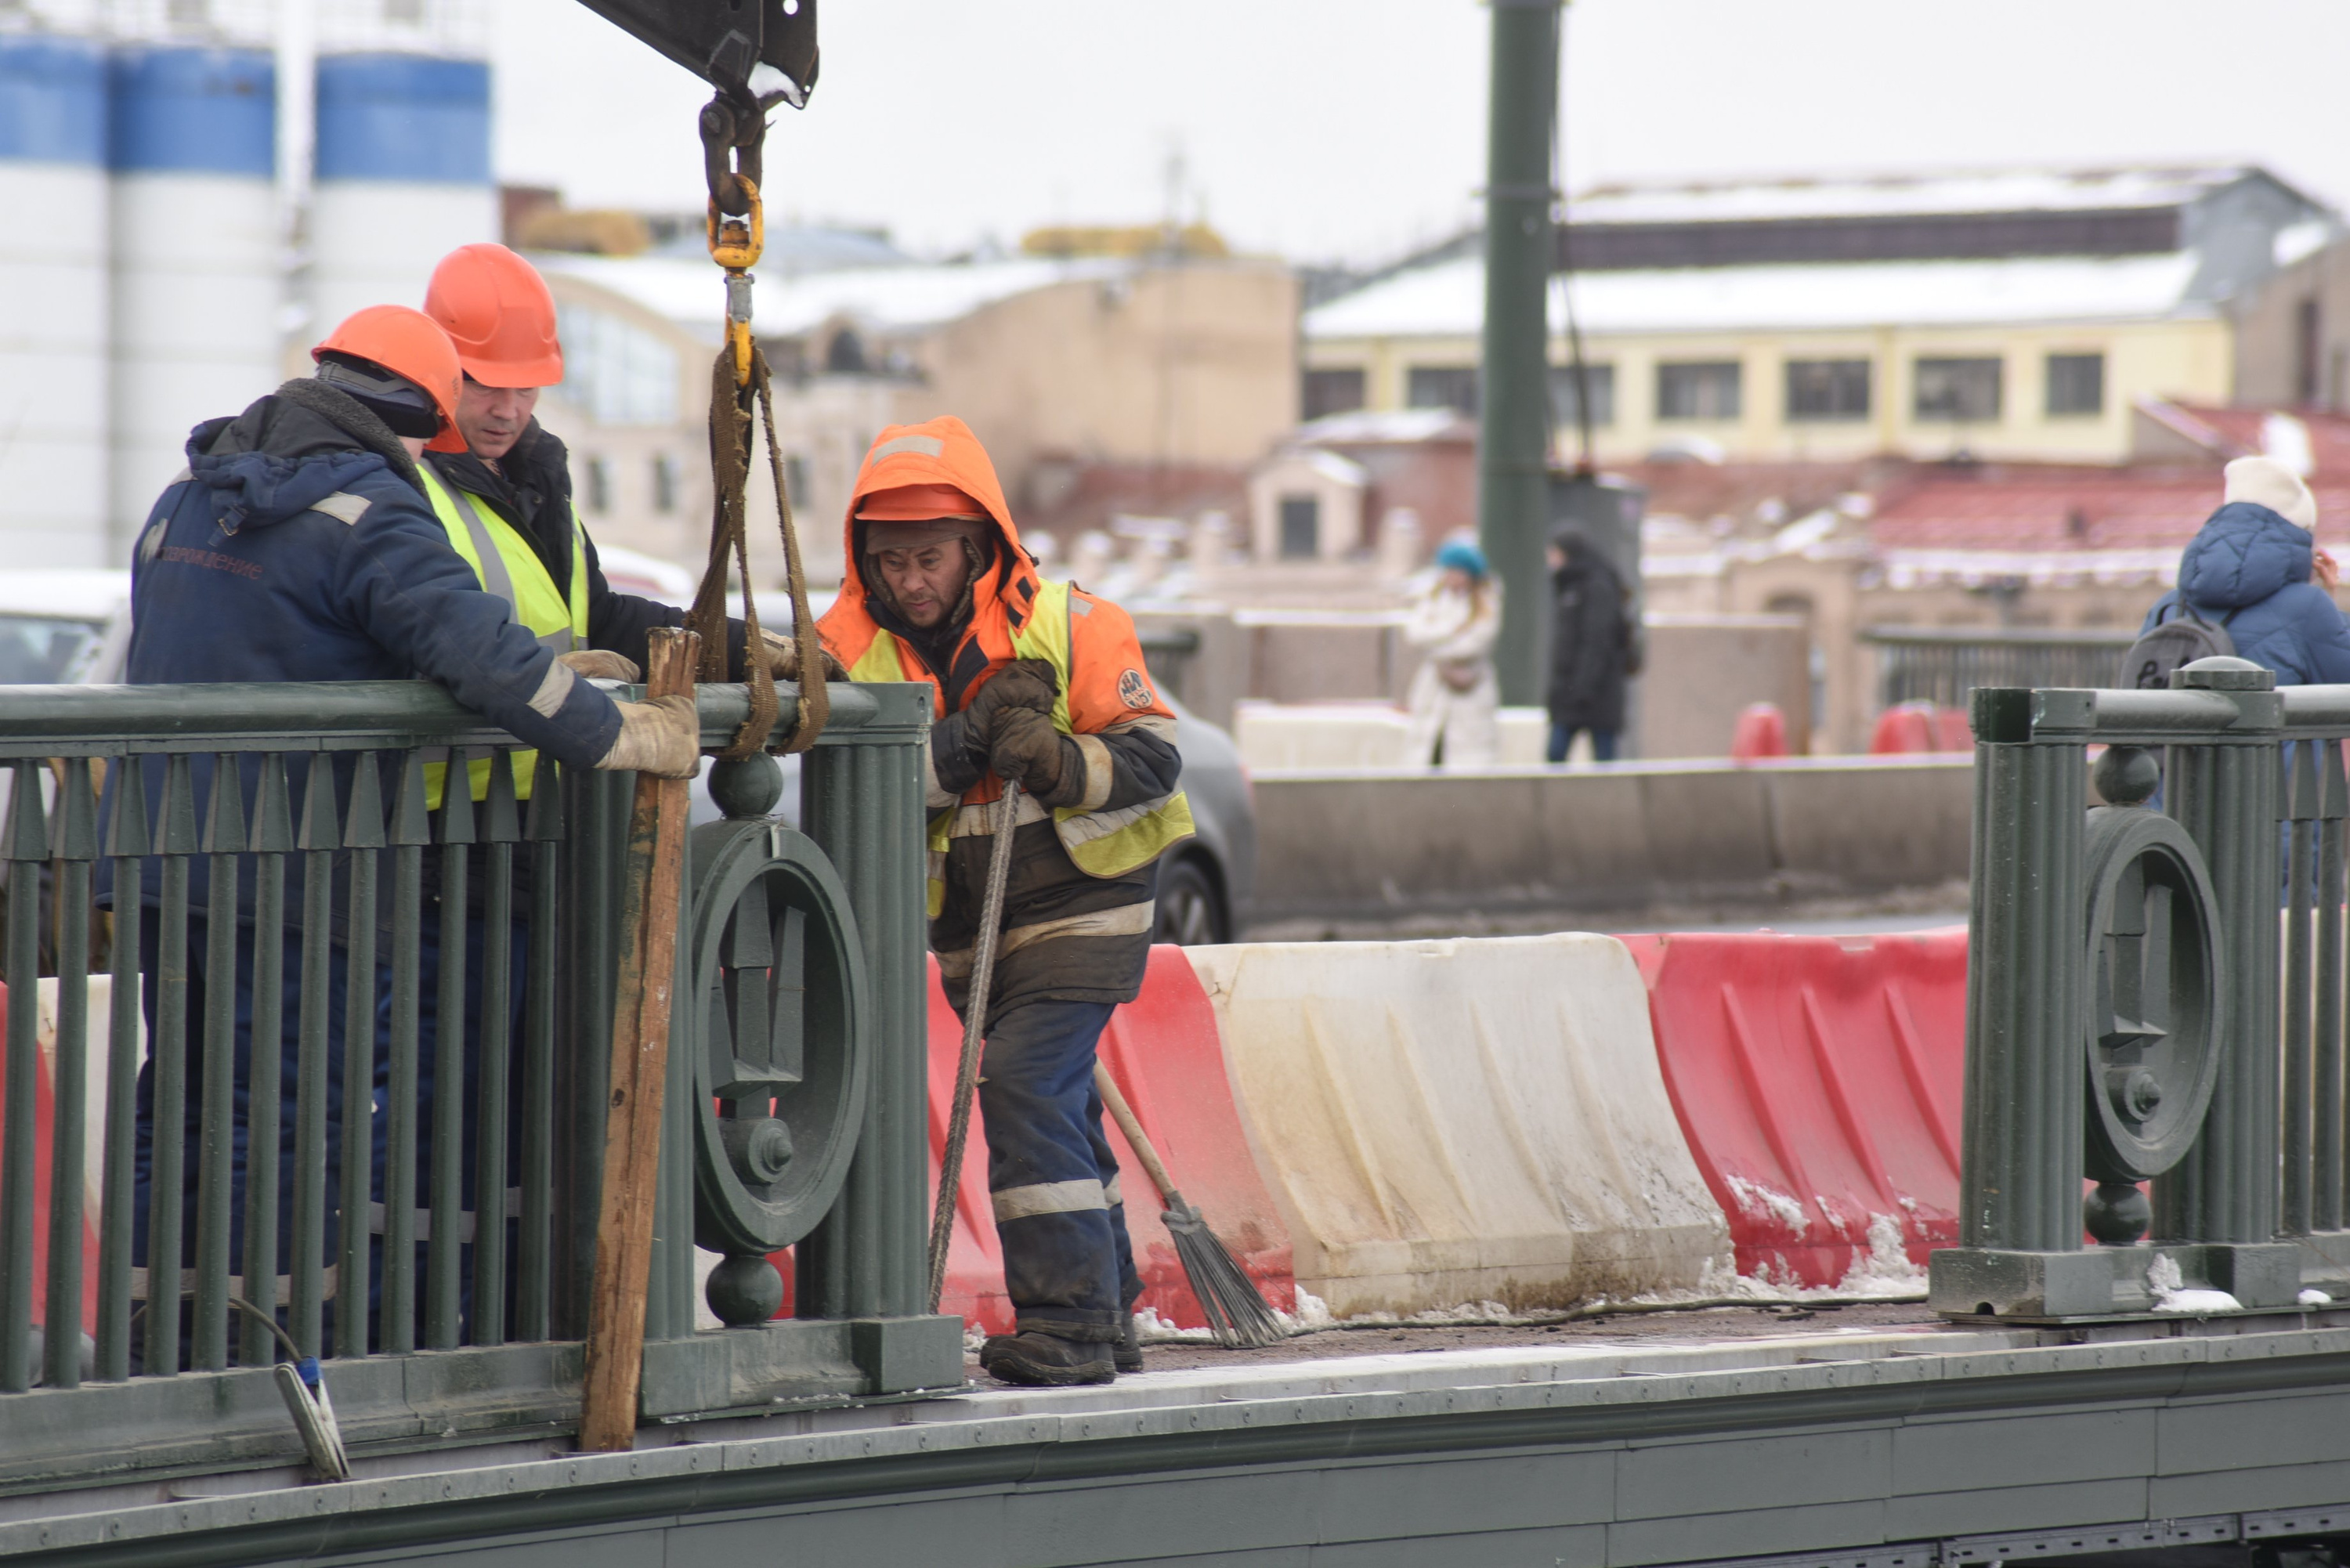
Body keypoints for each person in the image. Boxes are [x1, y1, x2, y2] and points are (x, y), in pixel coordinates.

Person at [119, 305, 697, 1362]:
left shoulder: (189, 497)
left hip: (165, 859)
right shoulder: (368, 511)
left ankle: (149, 1347)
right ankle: (268, 1359)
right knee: (287, 1116)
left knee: (182, 1099)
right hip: (303, 874)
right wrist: (619, 735)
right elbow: (485, 655)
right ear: (419, 413)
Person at [395, 244, 827, 1323]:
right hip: (449, 858)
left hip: (537, 851)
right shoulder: (403, 483)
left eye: (523, 385)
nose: (503, 407)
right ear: (437, 368)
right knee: (457, 1120)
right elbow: (461, 642)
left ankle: (518, 1324)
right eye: (484, 382)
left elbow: (590, 614)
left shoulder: (531, 474)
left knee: (529, 1113)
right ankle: (458, 1330)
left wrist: (735, 646)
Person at [815, 416, 1195, 1386]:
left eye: (930, 556)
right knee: (1058, 1098)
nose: (911, 580)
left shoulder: (1072, 623)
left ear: (979, 544)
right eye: (890, 560)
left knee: (1024, 1083)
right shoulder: (848, 651)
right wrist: (966, 741)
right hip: (974, 931)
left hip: (1088, 908)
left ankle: (1066, 1325)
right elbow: (860, 786)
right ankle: (1109, 1310)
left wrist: (1066, 762)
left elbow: (1154, 760)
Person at [2139, 456, 2350, 686]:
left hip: (2177, 723)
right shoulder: (2309, 607)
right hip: (2269, 723)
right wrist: (2328, 606)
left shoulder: (2166, 608)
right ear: (2300, 537)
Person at [1401, 538, 1500, 769]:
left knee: (1468, 758)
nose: (1452, 577)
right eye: (1449, 571)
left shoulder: (1486, 603)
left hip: (1470, 691)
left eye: (1458, 572)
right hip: (1434, 689)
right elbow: (1415, 634)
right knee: (1427, 752)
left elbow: (1474, 644)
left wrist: (1435, 644)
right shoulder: (1432, 599)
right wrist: (1453, 630)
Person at [1544, 529, 1633, 764]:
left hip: (1596, 693)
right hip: (1571, 691)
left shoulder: (1597, 586)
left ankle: (1609, 802)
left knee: (1603, 761)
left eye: (1554, 553)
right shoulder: (1568, 586)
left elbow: (1597, 641)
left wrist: (1582, 688)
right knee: (1555, 756)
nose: (1550, 559)